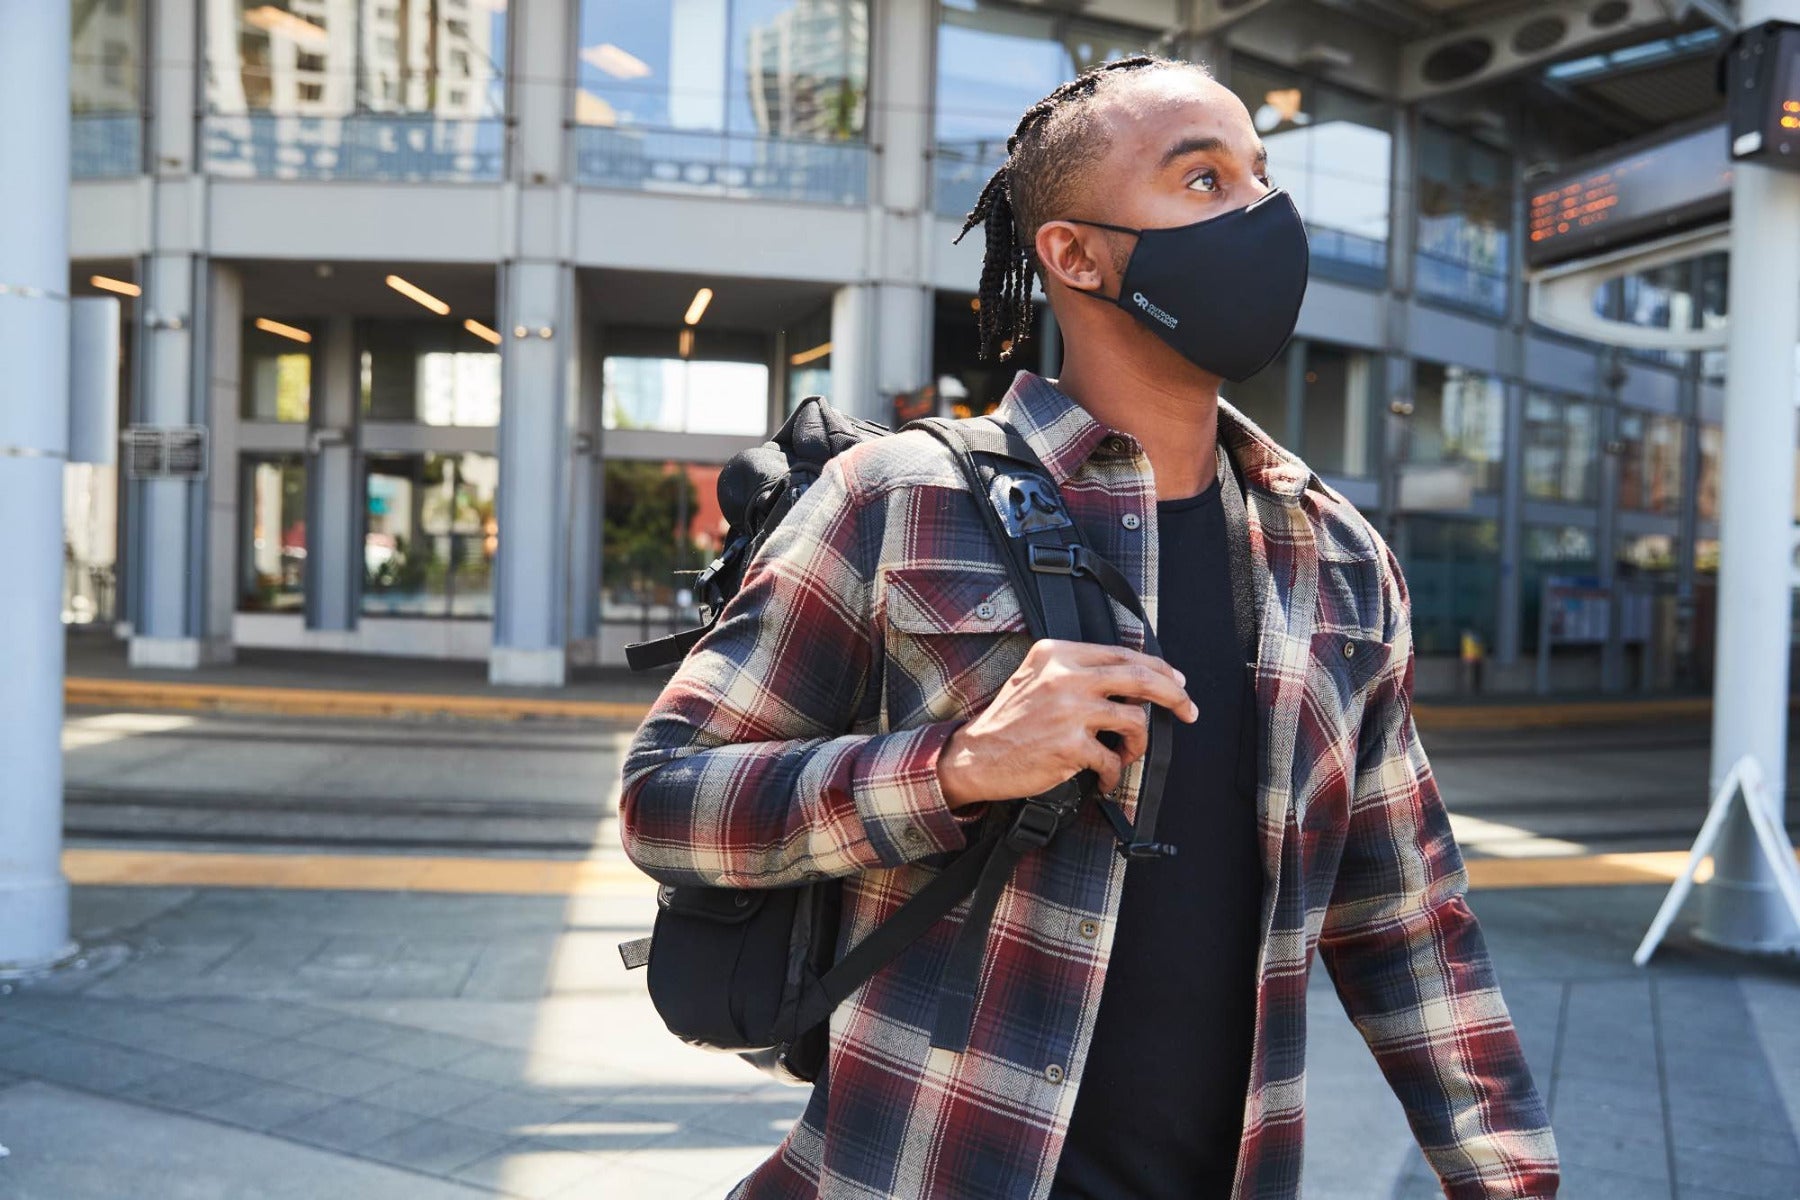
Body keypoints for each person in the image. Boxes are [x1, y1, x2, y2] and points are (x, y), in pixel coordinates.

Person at [618, 53, 1559, 1200]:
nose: (1263, 214)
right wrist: (957, 768)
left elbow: (1406, 920)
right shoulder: (901, 497)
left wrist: (1511, 1179)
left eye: (1261, 176)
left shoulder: (1341, 558)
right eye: (1203, 181)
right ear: (1074, 253)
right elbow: (665, 801)